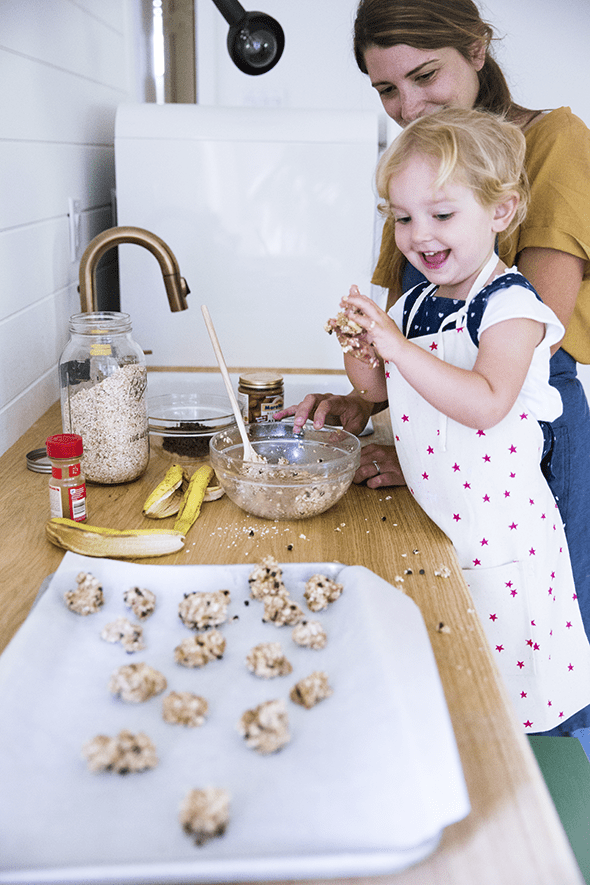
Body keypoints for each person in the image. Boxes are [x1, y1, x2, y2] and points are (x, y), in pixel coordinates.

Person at [274, 0, 590, 664]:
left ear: (477, 49)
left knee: (535, 644)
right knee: (457, 645)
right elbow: (410, 346)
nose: (409, 105)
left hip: (518, 455)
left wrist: (436, 451)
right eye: (386, 88)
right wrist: (362, 402)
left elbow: (528, 346)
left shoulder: (555, 141)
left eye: (424, 75)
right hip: (447, 446)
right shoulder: (417, 168)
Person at [329, 105, 590, 734]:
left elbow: (485, 402)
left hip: (501, 537)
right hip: (443, 523)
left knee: (506, 702)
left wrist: (396, 346)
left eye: (442, 214)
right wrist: (364, 351)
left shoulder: (513, 305)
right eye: (402, 218)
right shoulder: (419, 299)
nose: (420, 234)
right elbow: (379, 389)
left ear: (500, 211)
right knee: (456, 689)